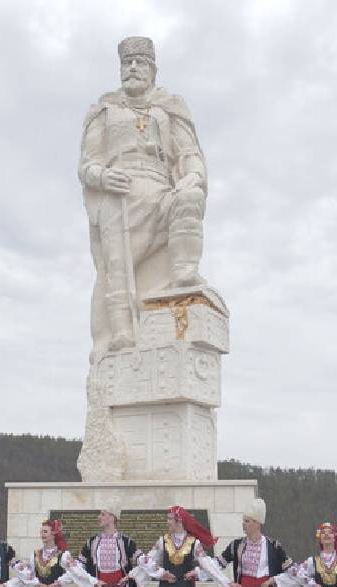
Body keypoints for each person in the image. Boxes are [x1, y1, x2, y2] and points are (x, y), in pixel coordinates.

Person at [79, 35, 209, 354]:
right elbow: (87, 163)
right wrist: (103, 176)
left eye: (140, 63)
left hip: (162, 189)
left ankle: (183, 273)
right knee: (116, 267)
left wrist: (192, 176)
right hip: (121, 194)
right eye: (127, 63)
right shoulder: (105, 111)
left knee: (190, 199)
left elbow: (188, 152)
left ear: (153, 71)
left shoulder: (168, 109)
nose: (132, 68)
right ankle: (121, 334)